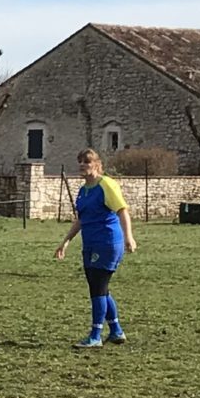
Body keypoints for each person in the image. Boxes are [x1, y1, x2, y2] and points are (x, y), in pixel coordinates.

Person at [55, 148, 137, 349]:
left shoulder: (106, 185)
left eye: (87, 161)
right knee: (100, 288)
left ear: (97, 164)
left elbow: (122, 210)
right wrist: (66, 241)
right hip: (90, 243)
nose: (83, 164)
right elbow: (81, 219)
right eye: (80, 161)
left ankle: (95, 335)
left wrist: (129, 237)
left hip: (107, 242)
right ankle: (116, 331)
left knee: (98, 287)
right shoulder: (83, 191)